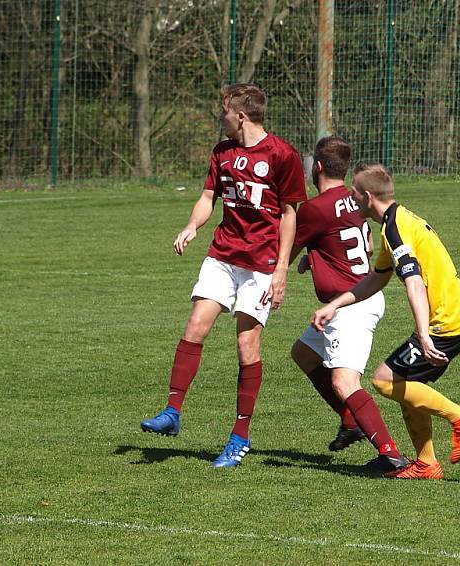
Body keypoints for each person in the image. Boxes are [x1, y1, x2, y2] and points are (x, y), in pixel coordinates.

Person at [140, 83, 307, 468]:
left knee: (247, 347)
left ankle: (239, 437)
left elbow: (289, 214)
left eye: (225, 111)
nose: (222, 116)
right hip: (223, 255)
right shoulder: (222, 152)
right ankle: (172, 412)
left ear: (241, 115)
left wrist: (281, 270)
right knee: (195, 325)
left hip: (262, 266)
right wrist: (192, 226)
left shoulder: (283, 155)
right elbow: (207, 197)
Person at [313, 163, 460, 480]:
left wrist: (424, 335)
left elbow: (414, 283)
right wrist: (335, 305)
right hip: (452, 317)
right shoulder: (395, 222)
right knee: (407, 384)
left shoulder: (395, 229)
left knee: (384, 380)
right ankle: (426, 464)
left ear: (366, 196)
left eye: (353, 194)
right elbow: (376, 279)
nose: (351, 200)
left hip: (444, 322)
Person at [290, 136, 408, 473]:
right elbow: (362, 243)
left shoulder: (314, 208)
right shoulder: (353, 199)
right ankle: (350, 418)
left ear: (318, 167)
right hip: (356, 296)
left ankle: (389, 453)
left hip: (349, 306)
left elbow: (286, 250)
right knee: (303, 353)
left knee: (345, 383)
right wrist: (318, 257)